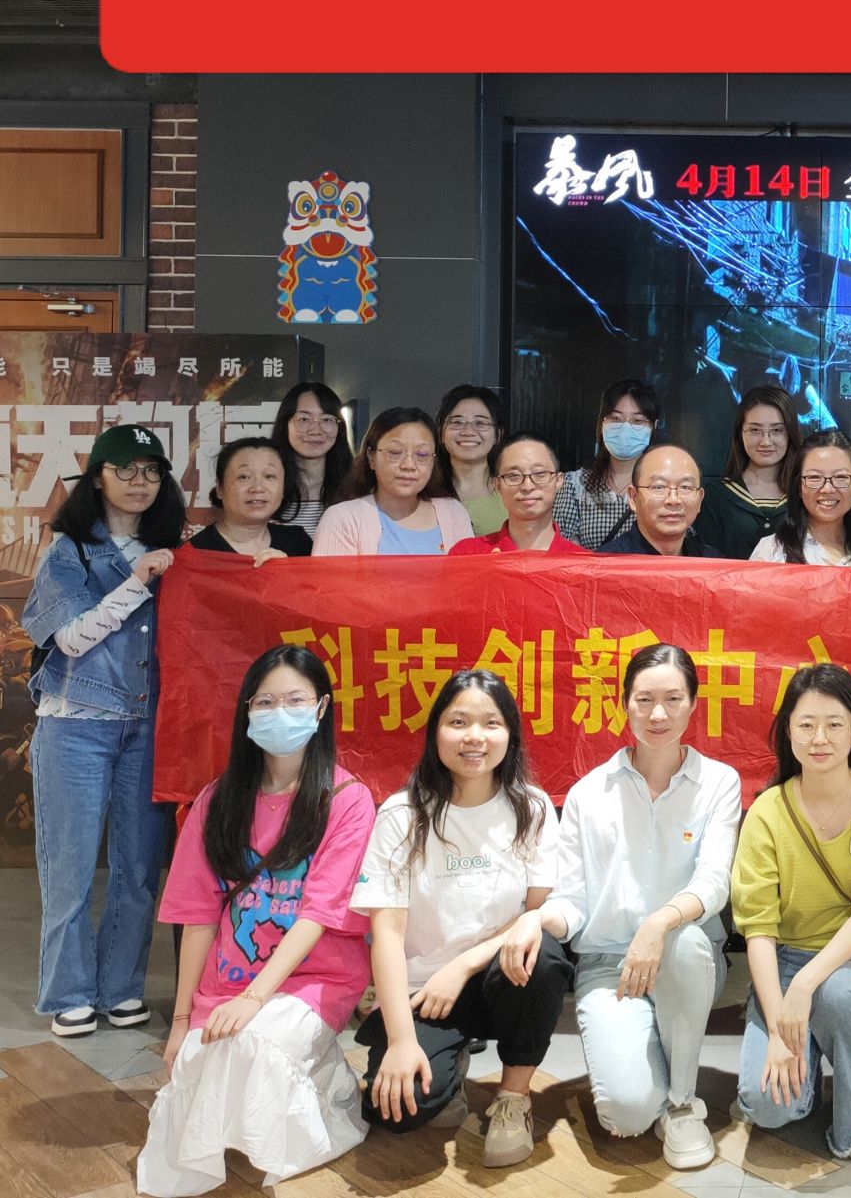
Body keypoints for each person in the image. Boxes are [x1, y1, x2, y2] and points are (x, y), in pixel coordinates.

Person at [138, 646, 376, 1196]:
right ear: (247, 711)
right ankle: (296, 1076)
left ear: (321, 709)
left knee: (253, 1048)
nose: (279, 712)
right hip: (228, 980)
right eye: (265, 702)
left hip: (314, 979)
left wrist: (253, 1000)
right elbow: (199, 915)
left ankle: (329, 1093)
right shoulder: (218, 799)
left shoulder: (347, 798)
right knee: (197, 1069)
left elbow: (318, 913)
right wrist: (181, 1021)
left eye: (295, 700)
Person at [500, 646, 742, 1170]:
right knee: (626, 1114)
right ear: (624, 704)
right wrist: (536, 917)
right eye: (644, 699)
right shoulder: (589, 794)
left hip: (687, 958)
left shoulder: (719, 782)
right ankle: (654, 1064)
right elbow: (573, 902)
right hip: (610, 966)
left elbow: (714, 882)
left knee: (684, 941)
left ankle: (683, 1104)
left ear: (693, 705)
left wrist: (660, 922)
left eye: (673, 699)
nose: (658, 714)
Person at [350, 671, 570, 1168]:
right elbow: (387, 935)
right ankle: (449, 1063)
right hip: (425, 990)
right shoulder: (402, 815)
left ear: (510, 734)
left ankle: (513, 1097)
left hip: (500, 977)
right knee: (398, 1110)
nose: (475, 736)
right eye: (458, 722)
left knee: (543, 956)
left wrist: (464, 965)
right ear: (436, 731)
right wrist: (401, 1041)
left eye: (491, 723)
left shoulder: (532, 808)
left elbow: (536, 912)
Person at [24, 425, 186, 1037]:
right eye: (125, 469)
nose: (140, 482)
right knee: (68, 869)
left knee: (138, 869)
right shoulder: (70, 550)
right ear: (98, 478)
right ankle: (68, 992)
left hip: (148, 727)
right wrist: (137, 582)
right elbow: (68, 638)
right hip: (75, 726)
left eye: (152, 470)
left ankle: (121, 988)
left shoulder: (176, 552)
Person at [730, 664, 851, 1162]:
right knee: (768, 1106)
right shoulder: (767, 810)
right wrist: (777, 1025)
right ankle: (803, 1072)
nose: (819, 738)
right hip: (783, 964)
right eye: (806, 724)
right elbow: (758, 928)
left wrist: (806, 985)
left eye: (834, 724)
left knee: (839, 992)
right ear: (787, 731)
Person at [310, 407, 474, 556]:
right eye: (395, 453)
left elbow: (468, 577)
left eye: (422, 455)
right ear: (371, 457)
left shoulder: (454, 513)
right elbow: (331, 580)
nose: (408, 465)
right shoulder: (343, 519)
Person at [554, 378, 662, 550]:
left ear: (654, 426)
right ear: (602, 422)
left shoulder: (666, 486)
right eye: (616, 418)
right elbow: (564, 551)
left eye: (638, 420)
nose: (625, 428)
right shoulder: (574, 485)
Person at [749, 430, 851, 565]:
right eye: (815, 477)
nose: (827, 489)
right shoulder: (772, 552)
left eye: (841, 477)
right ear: (799, 486)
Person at [448, 433, 591, 556]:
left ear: (559, 481)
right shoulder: (468, 555)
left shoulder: (583, 564)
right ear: (497, 485)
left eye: (540, 474)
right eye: (514, 476)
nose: (527, 486)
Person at [700, 383, 798, 557]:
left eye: (777, 430)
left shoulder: (805, 494)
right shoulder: (715, 496)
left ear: (790, 433)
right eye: (755, 430)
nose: (765, 441)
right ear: (740, 433)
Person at [185, 438, 313, 561]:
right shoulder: (194, 553)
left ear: (283, 488)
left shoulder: (299, 543)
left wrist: (289, 570)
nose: (257, 488)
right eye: (244, 477)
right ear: (220, 489)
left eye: (269, 476)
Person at [599, 444, 722, 557]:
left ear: (699, 500)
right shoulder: (606, 565)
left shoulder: (713, 563)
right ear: (633, 498)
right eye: (659, 487)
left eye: (686, 487)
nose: (673, 500)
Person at [271, 382, 351, 535]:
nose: (316, 430)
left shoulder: (356, 487)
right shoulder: (266, 485)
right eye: (304, 419)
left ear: (339, 427)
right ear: (285, 424)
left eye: (327, 419)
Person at [436, 384, 508, 538]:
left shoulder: (512, 492)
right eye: (457, 422)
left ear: (498, 435)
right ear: (441, 433)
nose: (468, 432)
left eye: (480, 423)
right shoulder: (425, 491)